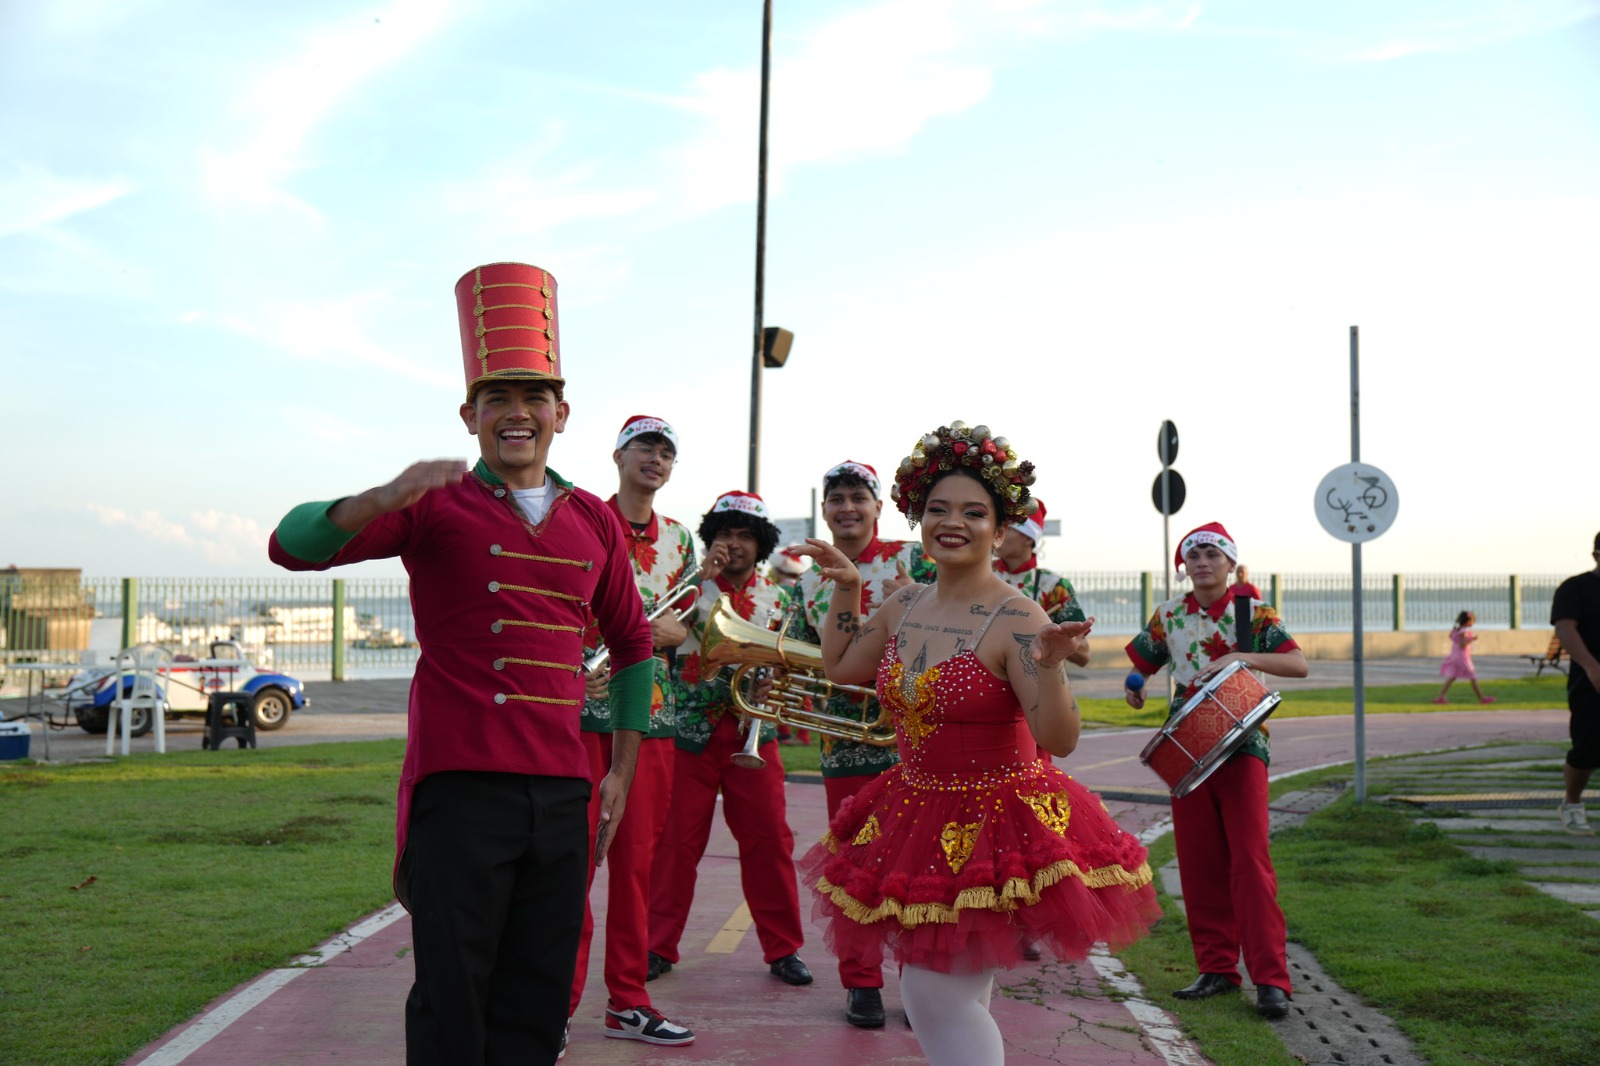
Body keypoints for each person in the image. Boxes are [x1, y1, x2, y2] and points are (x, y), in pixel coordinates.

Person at [268, 262, 655, 1065]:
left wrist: (620, 771)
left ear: (561, 414)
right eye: (496, 398)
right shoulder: (432, 500)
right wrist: (379, 498)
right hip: (461, 787)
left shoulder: (594, 519)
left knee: (536, 999)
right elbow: (291, 545)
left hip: (564, 792)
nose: (517, 413)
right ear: (469, 414)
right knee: (452, 997)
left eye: (534, 397)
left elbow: (633, 645)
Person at [795, 422, 1158, 1066]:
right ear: (919, 517)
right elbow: (842, 666)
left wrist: (1050, 665)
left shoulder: (1017, 616)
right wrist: (847, 586)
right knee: (955, 991)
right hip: (913, 810)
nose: (953, 523)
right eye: (938, 509)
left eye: (973, 512)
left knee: (932, 995)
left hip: (995, 820)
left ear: (1000, 526)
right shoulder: (906, 603)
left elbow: (1060, 739)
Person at [1123, 521, 1308, 1021]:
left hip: (1244, 744)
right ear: (1184, 566)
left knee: (1250, 863)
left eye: (1212, 555)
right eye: (1194, 556)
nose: (1202, 563)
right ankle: (1217, 969)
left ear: (1229, 563)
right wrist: (1136, 685)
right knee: (1198, 864)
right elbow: (1143, 663)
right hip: (1185, 747)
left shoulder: (1253, 612)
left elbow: (1298, 665)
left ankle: (1271, 979)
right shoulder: (1168, 614)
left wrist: (1241, 656)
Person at [783, 459, 934, 1028]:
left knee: (920, 863)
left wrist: (913, 602)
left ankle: (921, 986)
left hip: (918, 740)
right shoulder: (808, 580)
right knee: (854, 864)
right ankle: (861, 983)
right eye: (836, 499)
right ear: (824, 510)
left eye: (857, 497)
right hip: (844, 742)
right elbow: (798, 654)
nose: (847, 507)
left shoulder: (916, 560)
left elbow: (960, 627)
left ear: (877, 507)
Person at [646, 491, 814, 988]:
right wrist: (700, 576)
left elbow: (795, 664)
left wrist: (776, 683)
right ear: (710, 539)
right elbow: (653, 631)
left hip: (753, 735)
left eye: (745, 535)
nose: (734, 544)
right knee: (675, 843)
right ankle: (656, 945)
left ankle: (783, 949)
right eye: (725, 534)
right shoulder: (687, 588)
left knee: (770, 841)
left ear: (761, 544)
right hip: (689, 734)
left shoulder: (781, 599)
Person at [568, 416, 697, 1048]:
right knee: (572, 869)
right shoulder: (585, 518)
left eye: (666, 451)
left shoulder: (680, 538)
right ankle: (556, 1006)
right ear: (618, 455)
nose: (656, 458)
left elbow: (686, 623)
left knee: (635, 867)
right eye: (645, 446)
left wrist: (657, 630)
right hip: (584, 712)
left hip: (651, 715)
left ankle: (628, 1001)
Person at [992, 499, 1090, 668]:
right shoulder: (978, 575)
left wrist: (1046, 631)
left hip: (1032, 680)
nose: (998, 533)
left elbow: (1084, 655)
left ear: (1028, 538)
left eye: (1008, 528)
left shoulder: (1054, 587)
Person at [1552, 533, 1600, 836]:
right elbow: (1565, 629)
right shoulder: (1575, 588)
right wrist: (1592, 667)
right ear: (1596, 555)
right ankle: (1571, 804)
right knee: (1588, 747)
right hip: (1590, 682)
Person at [1433, 611, 1495, 705]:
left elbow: (1454, 639)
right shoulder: (1464, 632)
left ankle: (1441, 696)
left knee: (1452, 677)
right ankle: (1482, 698)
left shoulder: (1457, 631)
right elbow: (1462, 645)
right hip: (1463, 658)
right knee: (1473, 677)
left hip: (1455, 656)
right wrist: (1471, 639)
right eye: (1472, 621)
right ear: (1468, 622)